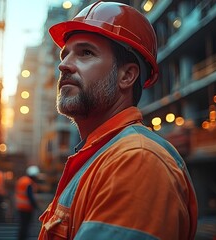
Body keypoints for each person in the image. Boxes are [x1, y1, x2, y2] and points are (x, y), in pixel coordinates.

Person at [38, 1, 198, 240]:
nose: (64, 65)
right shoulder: (100, 157)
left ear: (127, 76)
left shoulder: (137, 160)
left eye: (85, 53)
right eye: (65, 54)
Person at [15, 165, 39, 240]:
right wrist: (35, 206)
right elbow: (30, 196)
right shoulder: (28, 182)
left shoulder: (22, 180)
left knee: (22, 226)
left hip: (20, 206)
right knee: (25, 226)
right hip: (26, 208)